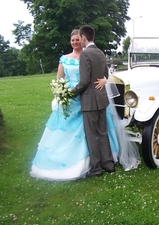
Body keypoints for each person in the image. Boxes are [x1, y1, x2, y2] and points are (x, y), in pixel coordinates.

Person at [30, 29, 90, 181]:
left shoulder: (87, 56)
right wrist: (60, 93)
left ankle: (84, 160)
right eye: (72, 40)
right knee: (63, 127)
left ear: (82, 40)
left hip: (85, 95)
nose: (75, 42)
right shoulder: (64, 59)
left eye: (77, 39)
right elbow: (59, 79)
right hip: (68, 97)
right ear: (70, 42)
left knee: (85, 126)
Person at [72, 25, 115, 178]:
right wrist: (104, 81)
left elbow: (84, 81)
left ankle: (96, 169)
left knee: (92, 135)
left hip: (89, 101)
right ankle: (108, 164)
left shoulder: (85, 54)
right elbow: (105, 75)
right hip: (102, 99)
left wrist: (71, 93)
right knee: (102, 133)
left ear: (83, 38)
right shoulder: (101, 53)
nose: (80, 41)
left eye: (80, 38)